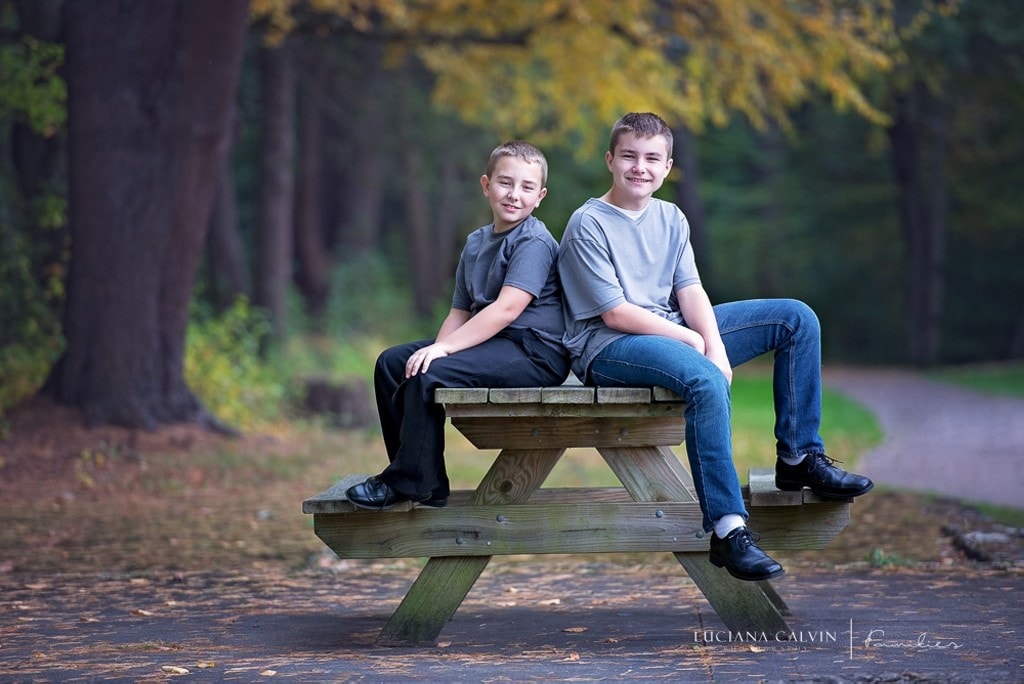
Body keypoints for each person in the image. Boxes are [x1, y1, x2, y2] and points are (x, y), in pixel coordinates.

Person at [557, 112, 873, 581]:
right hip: (608, 346)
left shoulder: (670, 216)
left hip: (667, 328)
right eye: (629, 156)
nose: (639, 167)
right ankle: (728, 531)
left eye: (652, 158)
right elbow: (615, 313)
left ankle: (798, 458)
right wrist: (695, 341)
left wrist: (717, 348)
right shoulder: (589, 223)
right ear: (610, 160)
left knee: (794, 318)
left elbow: (691, 291)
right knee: (704, 379)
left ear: (668, 167)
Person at [346, 140, 570, 510]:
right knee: (394, 363)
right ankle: (423, 480)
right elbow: (460, 311)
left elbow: (506, 310)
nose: (515, 195)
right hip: (492, 342)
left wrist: (443, 352)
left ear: (540, 195)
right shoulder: (476, 242)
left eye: (527, 187)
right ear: (486, 185)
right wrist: (434, 350)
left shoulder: (534, 241)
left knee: (426, 375)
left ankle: (408, 482)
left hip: (535, 352)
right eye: (505, 183)